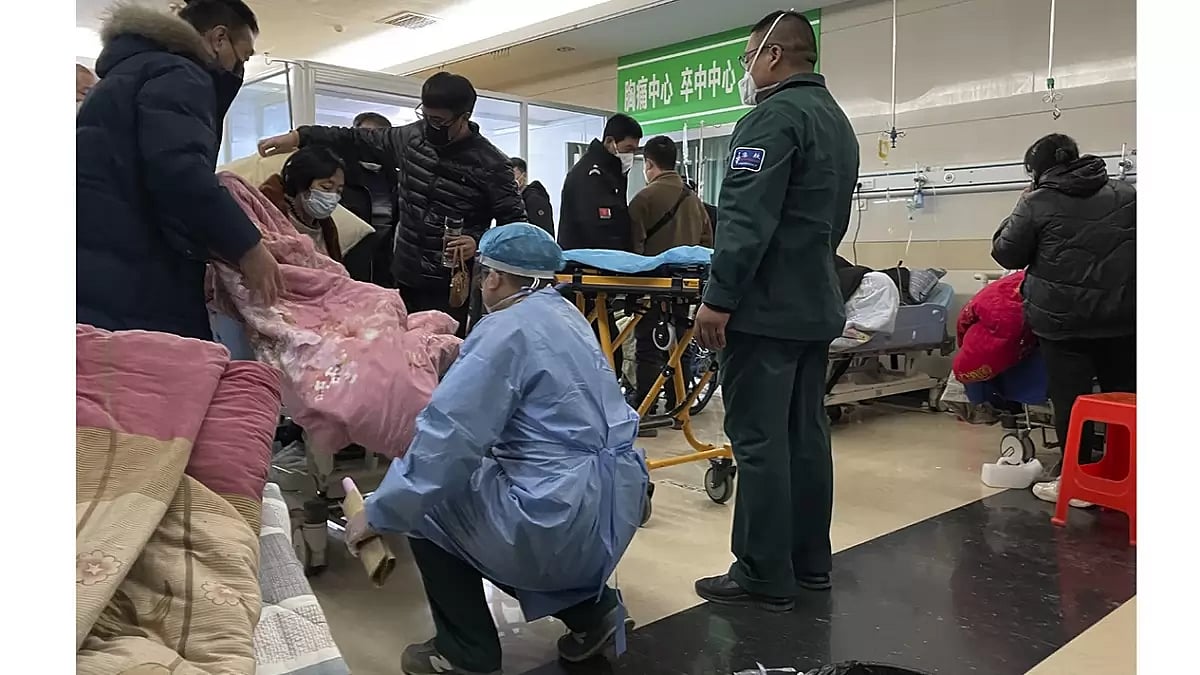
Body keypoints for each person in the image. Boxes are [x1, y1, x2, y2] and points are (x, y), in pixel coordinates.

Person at [344, 223, 649, 675]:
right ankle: (594, 615)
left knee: (429, 502)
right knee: (503, 498)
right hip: (615, 504)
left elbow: (447, 444)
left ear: (495, 278)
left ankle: (465, 651)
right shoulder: (568, 317)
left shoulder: (502, 331)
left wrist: (380, 510)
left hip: (557, 520)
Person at [692, 10, 859, 610]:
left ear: (772, 55)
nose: (746, 69)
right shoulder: (837, 123)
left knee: (759, 440)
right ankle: (810, 563)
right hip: (814, 303)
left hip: (764, 309)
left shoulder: (772, 119)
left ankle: (762, 573)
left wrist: (719, 296)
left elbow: (745, 220)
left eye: (745, 58)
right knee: (805, 437)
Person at [258, 72, 526, 335]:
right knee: (400, 350)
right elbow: (351, 139)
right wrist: (298, 137)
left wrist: (478, 241)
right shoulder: (410, 138)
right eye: (426, 116)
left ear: (464, 117)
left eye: (439, 121)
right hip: (404, 274)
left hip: (451, 284)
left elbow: (516, 227)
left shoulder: (492, 164)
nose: (431, 126)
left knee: (441, 352)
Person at [77, 0, 282, 341]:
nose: (238, 70)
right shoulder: (180, 74)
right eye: (242, 57)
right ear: (219, 39)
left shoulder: (124, 76)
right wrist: (249, 247)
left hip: (100, 264)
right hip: (139, 273)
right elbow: (180, 171)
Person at [991, 133, 1136, 506]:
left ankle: (1081, 480)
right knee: (1127, 400)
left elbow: (1007, 254)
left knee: (1072, 402)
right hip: (1124, 317)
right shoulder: (1127, 194)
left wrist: (1020, 204)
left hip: (1063, 321)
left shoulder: (1037, 203)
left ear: (1036, 171)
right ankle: (1130, 474)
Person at [628, 136, 713, 432]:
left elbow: (633, 247)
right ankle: (679, 407)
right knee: (680, 345)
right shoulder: (693, 200)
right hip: (686, 286)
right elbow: (706, 243)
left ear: (649, 164)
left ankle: (646, 412)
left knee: (649, 347)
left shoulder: (643, 199)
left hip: (651, 285)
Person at [557, 113, 643, 251]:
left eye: (634, 150)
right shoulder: (590, 174)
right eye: (628, 149)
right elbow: (596, 227)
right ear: (610, 142)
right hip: (588, 264)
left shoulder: (614, 172)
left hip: (605, 261)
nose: (631, 155)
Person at [338, 111, 401, 286]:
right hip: (347, 259)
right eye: (365, 136)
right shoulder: (340, 176)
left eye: (378, 137)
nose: (371, 143)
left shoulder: (396, 179)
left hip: (385, 262)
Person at [259, 146, 346, 261]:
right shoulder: (272, 216)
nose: (333, 197)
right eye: (326, 187)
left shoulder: (327, 229)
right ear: (301, 183)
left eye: (339, 191)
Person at [511, 157, 555, 235]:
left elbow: (542, 232)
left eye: (513, 175)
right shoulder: (513, 199)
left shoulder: (534, 200)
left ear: (524, 176)